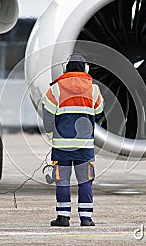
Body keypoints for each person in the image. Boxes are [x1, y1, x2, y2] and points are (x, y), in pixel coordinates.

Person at [41, 53, 104, 227]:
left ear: (65, 68)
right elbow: (99, 111)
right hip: (85, 146)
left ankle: (63, 217)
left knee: (62, 181)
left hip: (61, 146)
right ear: (86, 69)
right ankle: (86, 218)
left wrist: (50, 135)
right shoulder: (94, 89)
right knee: (85, 181)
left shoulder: (56, 89)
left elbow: (46, 114)